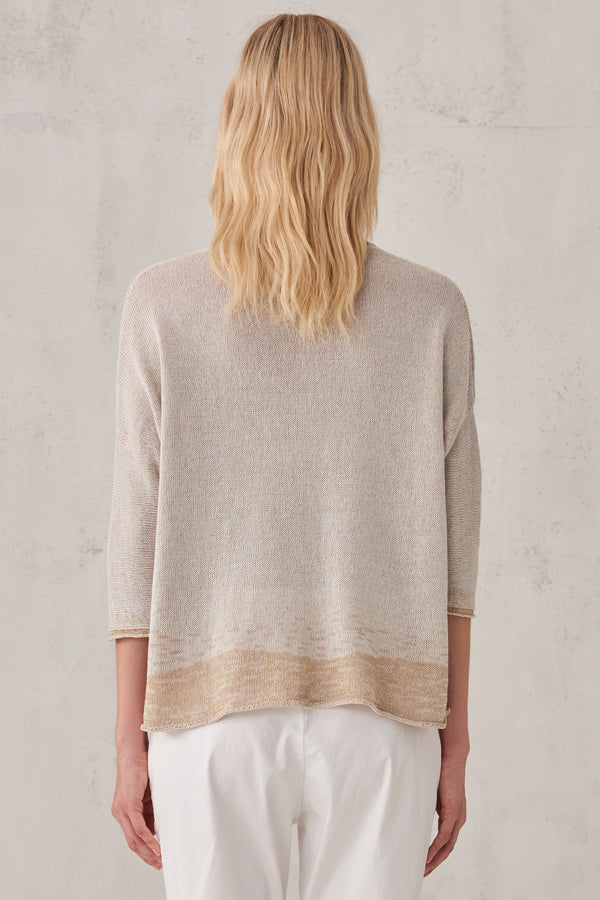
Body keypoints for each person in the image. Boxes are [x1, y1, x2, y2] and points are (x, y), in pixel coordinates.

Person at [107, 13, 482, 900]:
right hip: (383, 724)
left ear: (238, 124)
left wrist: (129, 741)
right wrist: (454, 740)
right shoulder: (432, 310)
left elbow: (136, 538)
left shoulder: (160, 304)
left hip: (209, 721)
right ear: (360, 131)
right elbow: (458, 552)